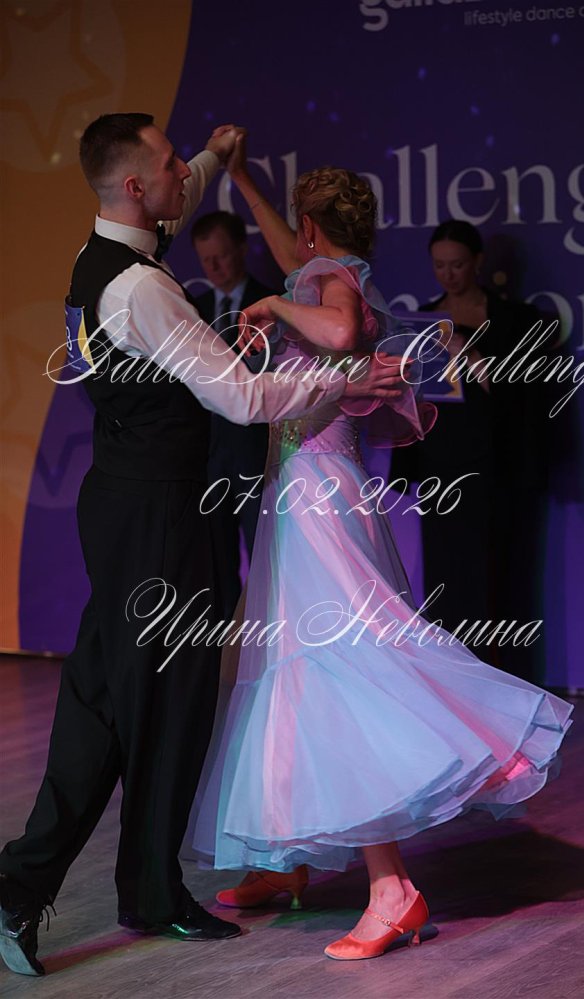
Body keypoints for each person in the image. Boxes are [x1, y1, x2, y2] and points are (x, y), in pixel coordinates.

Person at [0, 114, 405, 978]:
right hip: (160, 516)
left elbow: (179, 203)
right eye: (172, 161)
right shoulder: (142, 289)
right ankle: (26, 887)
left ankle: (140, 889)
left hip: (131, 503)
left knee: (116, 696)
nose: (185, 170)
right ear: (136, 186)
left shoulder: (102, 256)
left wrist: (222, 159)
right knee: (149, 704)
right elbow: (244, 399)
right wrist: (341, 379)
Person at [190, 131, 573, 962]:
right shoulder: (335, 266)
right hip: (306, 487)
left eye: (296, 232)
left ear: (313, 230)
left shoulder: (326, 284)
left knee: (340, 667)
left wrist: (273, 307)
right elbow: (303, 273)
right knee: (286, 666)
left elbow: (333, 330)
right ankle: (284, 851)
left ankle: (392, 888)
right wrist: (244, 177)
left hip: (318, 494)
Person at [391, 220, 547, 680]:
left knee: (503, 581)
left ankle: (511, 687)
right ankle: (458, 686)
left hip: (498, 470)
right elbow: (411, 400)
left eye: (457, 264)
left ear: (477, 262)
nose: (448, 274)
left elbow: (529, 401)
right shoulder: (423, 322)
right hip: (442, 469)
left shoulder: (515, 320)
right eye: (439, 265)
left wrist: (476, 361)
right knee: (446, 582)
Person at [192, 210, 277, 619]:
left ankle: (264, 645)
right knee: (214, 564)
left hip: (255, 456)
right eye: (205, 258)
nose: (213, 266)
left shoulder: (273, 304)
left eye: (221, 255)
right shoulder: (192, 310)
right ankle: (223, 648)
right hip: (207, 458)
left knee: (265, 560)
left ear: (242, 249)